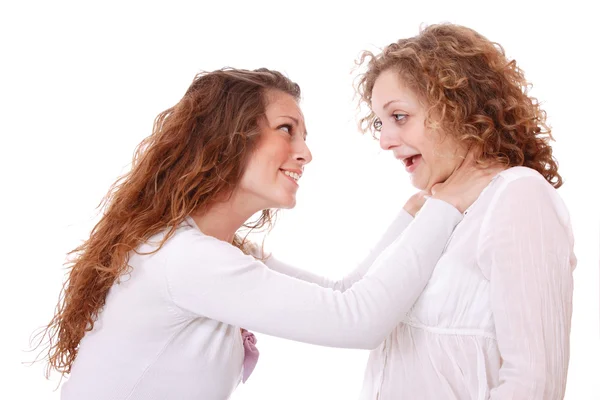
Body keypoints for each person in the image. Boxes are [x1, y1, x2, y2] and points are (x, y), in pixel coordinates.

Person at [35, 67, 495, 400]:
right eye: (286, 130)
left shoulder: (212, 249)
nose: (306, 153)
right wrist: (447, 204)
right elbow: (358, 322)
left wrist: (415, 213)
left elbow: (343, 293)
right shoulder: (185, 260)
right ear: (227, 138)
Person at [346, 23, 575, 399]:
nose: (385, 140)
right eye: (379, 123)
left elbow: (534, 383)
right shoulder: (436, 210)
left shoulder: (519, 196)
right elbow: (350, 299)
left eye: (399, 116)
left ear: (457, 109)